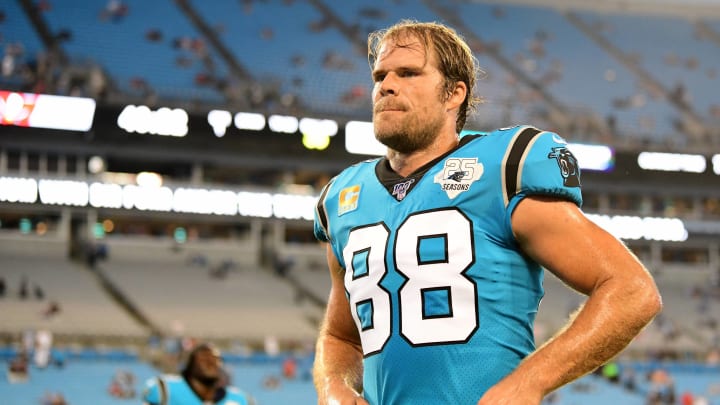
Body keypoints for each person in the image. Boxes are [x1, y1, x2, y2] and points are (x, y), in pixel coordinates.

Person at [312, 19, 662, 405]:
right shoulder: (344, 198)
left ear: (454, 94)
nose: (386, 85)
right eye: (381, 75)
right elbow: (341, 336)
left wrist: (530, 381)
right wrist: (335, 387)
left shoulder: (500, 169)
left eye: (409, 73)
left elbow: (631, 289)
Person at [142, 342, 255, 405]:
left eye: (216, 359)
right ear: (190, 365)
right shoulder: (165, 389)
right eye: (204, 359)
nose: (211, 363)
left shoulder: (240, 399)